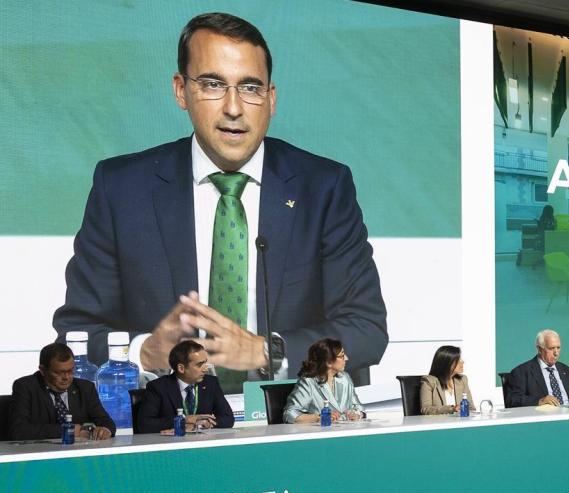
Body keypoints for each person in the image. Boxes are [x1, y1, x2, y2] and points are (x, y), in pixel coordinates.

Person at [51, 12, 387, 394]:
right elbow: (76, 333)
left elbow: (366, 329)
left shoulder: (323, 188)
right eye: (213, 84)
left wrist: (266, 351)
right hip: (167, 430)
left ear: (271, 99)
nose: (233, 107)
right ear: (181, 90)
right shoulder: (122, 188)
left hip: (288, 421)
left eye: (250, 87)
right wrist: (146, 352)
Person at [9, 343, 115, 441]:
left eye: (70, 371)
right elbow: (19, 431)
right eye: (59, 373)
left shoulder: (85, 388)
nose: (66, 377)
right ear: (42, 370)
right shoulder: (25, 387)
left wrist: (105, 430)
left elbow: (106, 422)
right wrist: (70, 430)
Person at [136, 341, 235, 434]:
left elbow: (228, 418)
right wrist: (185, 420)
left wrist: (204, 424)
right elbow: (145, 424)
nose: (205, 369)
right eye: (200, 365)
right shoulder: (158, 387)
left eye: (205, 363)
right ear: (181, 368)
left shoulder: (211, 383)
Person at [283, 338, 364, 423]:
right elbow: (289, 414)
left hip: (347, 431)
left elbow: (359, 407)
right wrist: (318, 418)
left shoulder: (345, 378)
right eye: (342, 356)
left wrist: (357, 413)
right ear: (328, 362)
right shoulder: (308, 382)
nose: (346, 358)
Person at [506, 329, 569, 407]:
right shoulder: (522, 372)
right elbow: (512, 399)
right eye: (551, 348)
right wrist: (539, 401)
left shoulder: (568, 371)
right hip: (543, 418)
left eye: (558, 348)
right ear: (539, 349)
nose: (556, 353)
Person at [419, 346, 474, 415]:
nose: (463, 362)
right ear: (447, 363)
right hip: (440, 424)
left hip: (460, 423)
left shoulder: (462, 380)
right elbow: (426, 409)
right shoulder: (429, 381)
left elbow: (471, 408)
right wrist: (451, 409)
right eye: (458, 360)